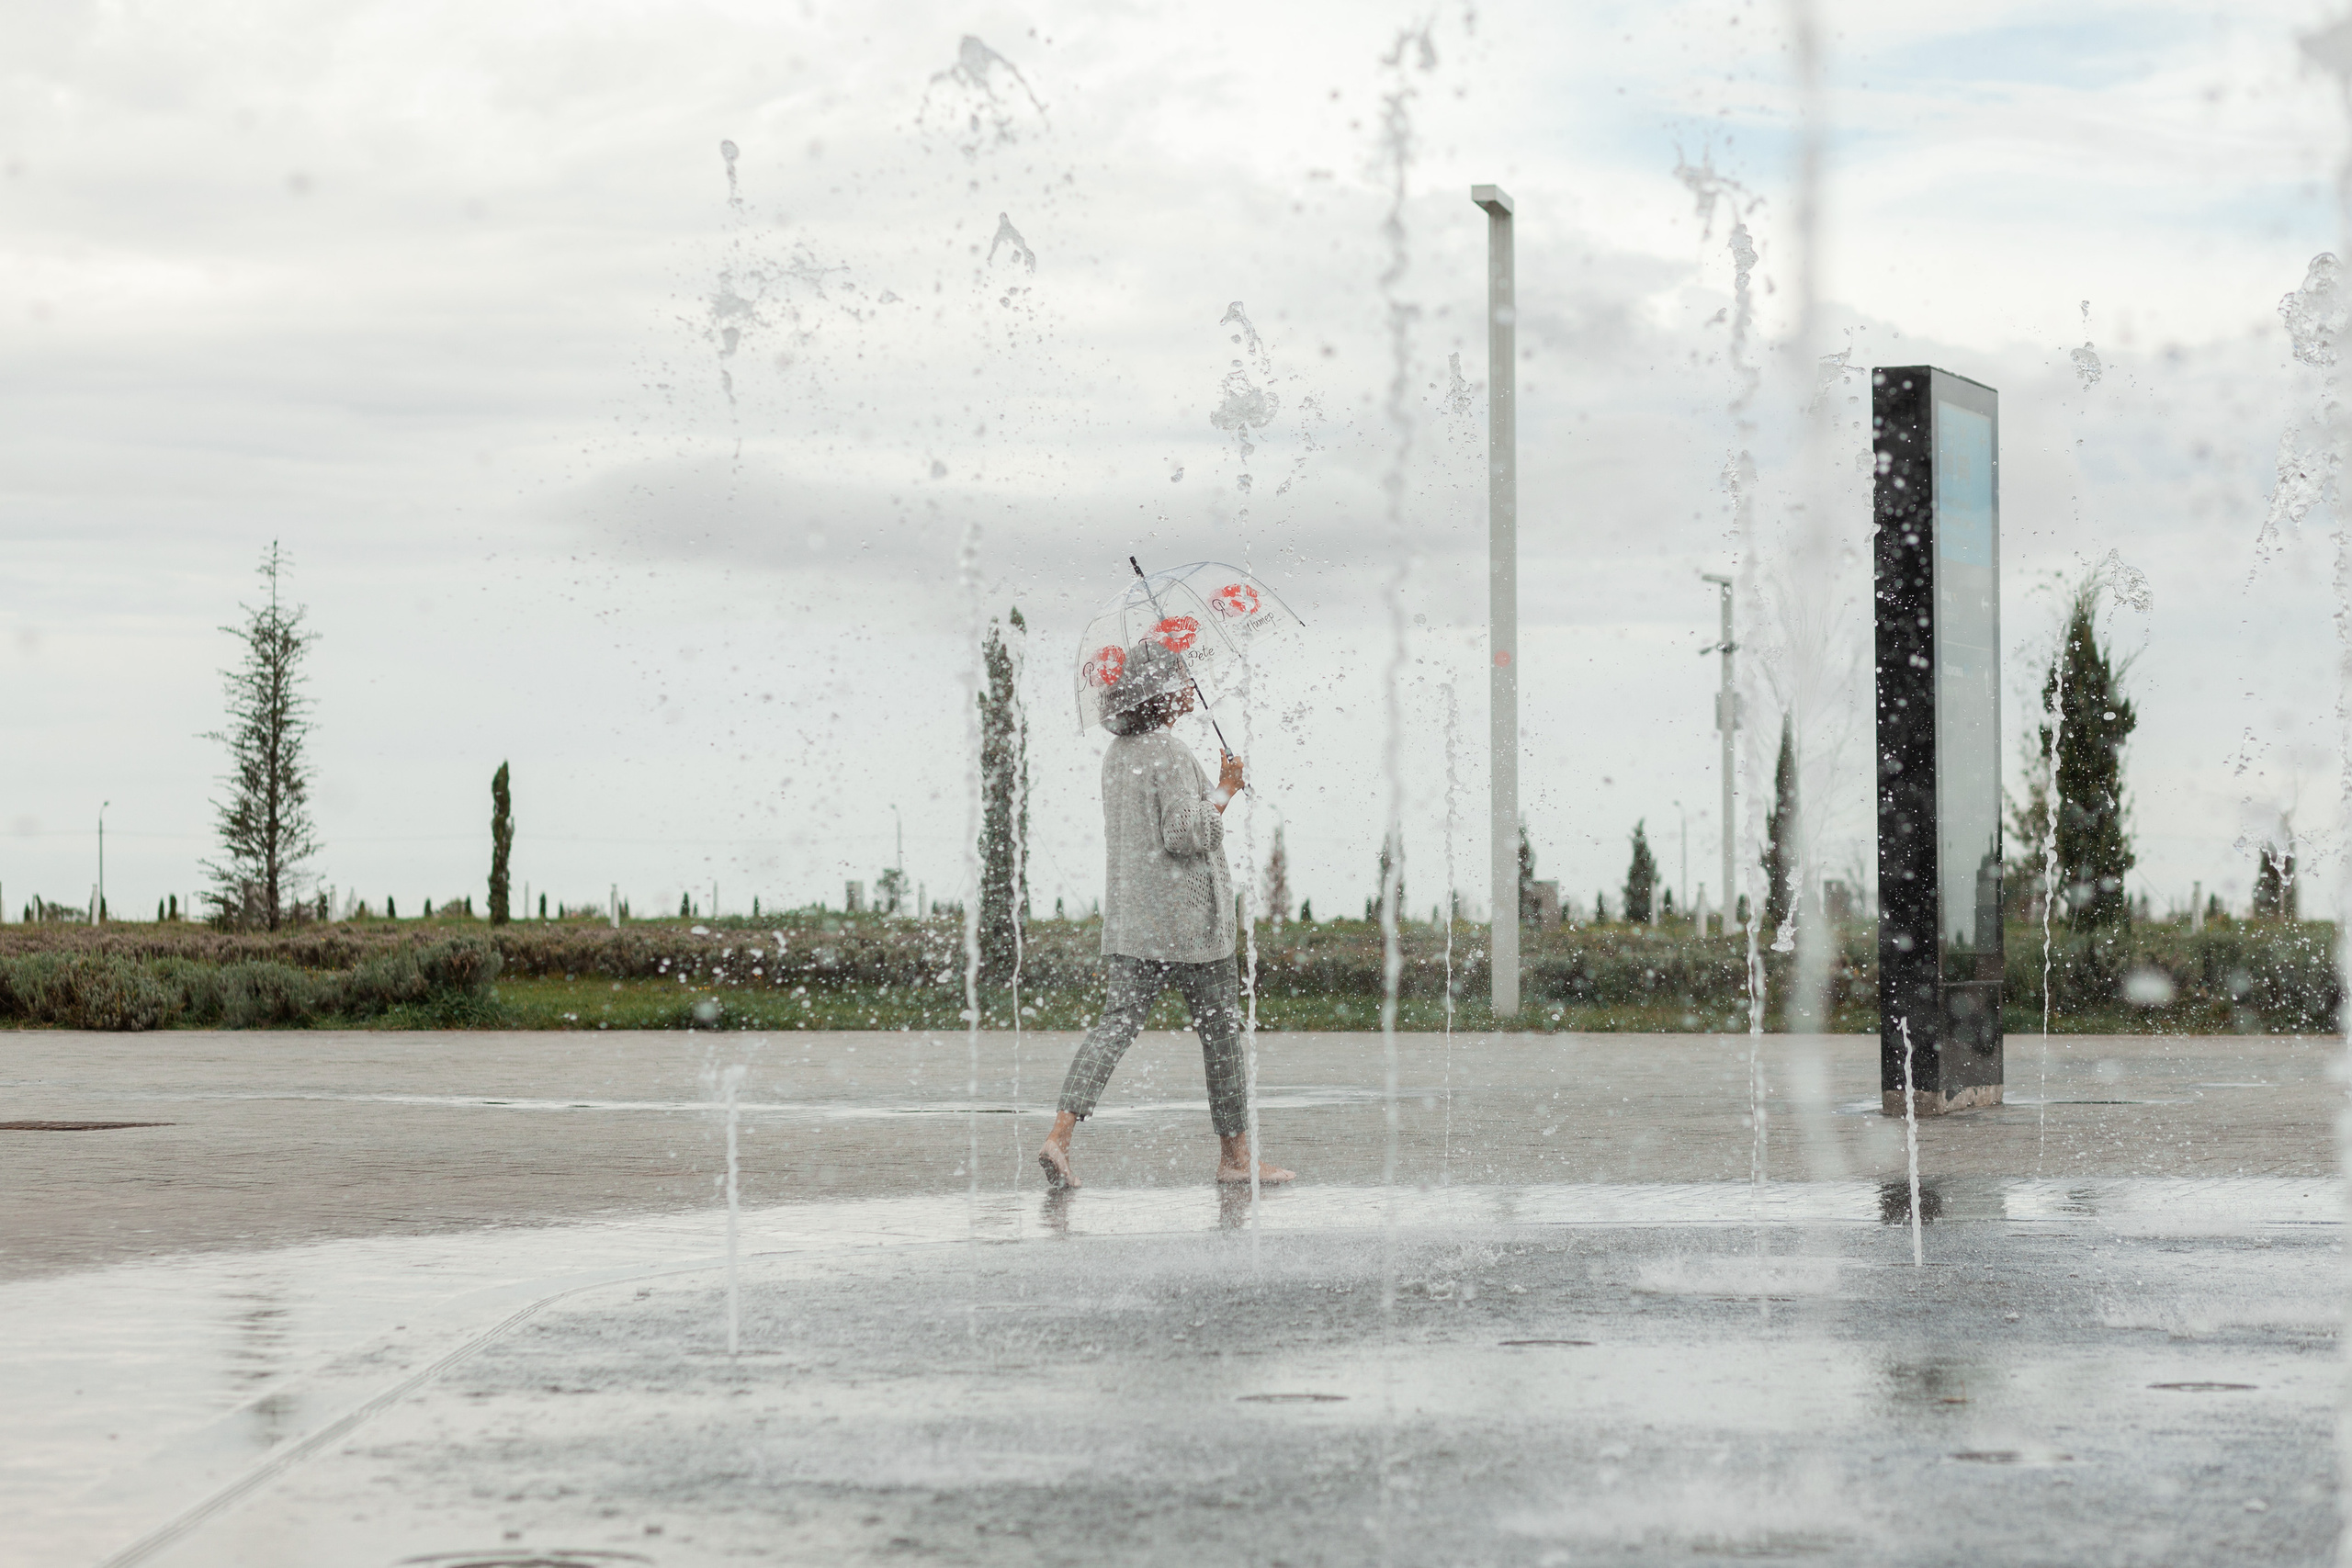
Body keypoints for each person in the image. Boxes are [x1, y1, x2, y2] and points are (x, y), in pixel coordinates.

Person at [1037, 642, 1294, 1190]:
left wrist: (1215, 788)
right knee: (1221, 1035)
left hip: (1134, 921)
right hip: (1190, 926)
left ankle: (1059, 1138)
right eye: (1179, 678)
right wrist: (1225, 790)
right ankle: (1235, 1158)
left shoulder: (1119, 755)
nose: (1186, 686)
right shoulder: (1169, 752)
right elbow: (1185, 833)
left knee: (1114, 1027)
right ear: (1159, 690)